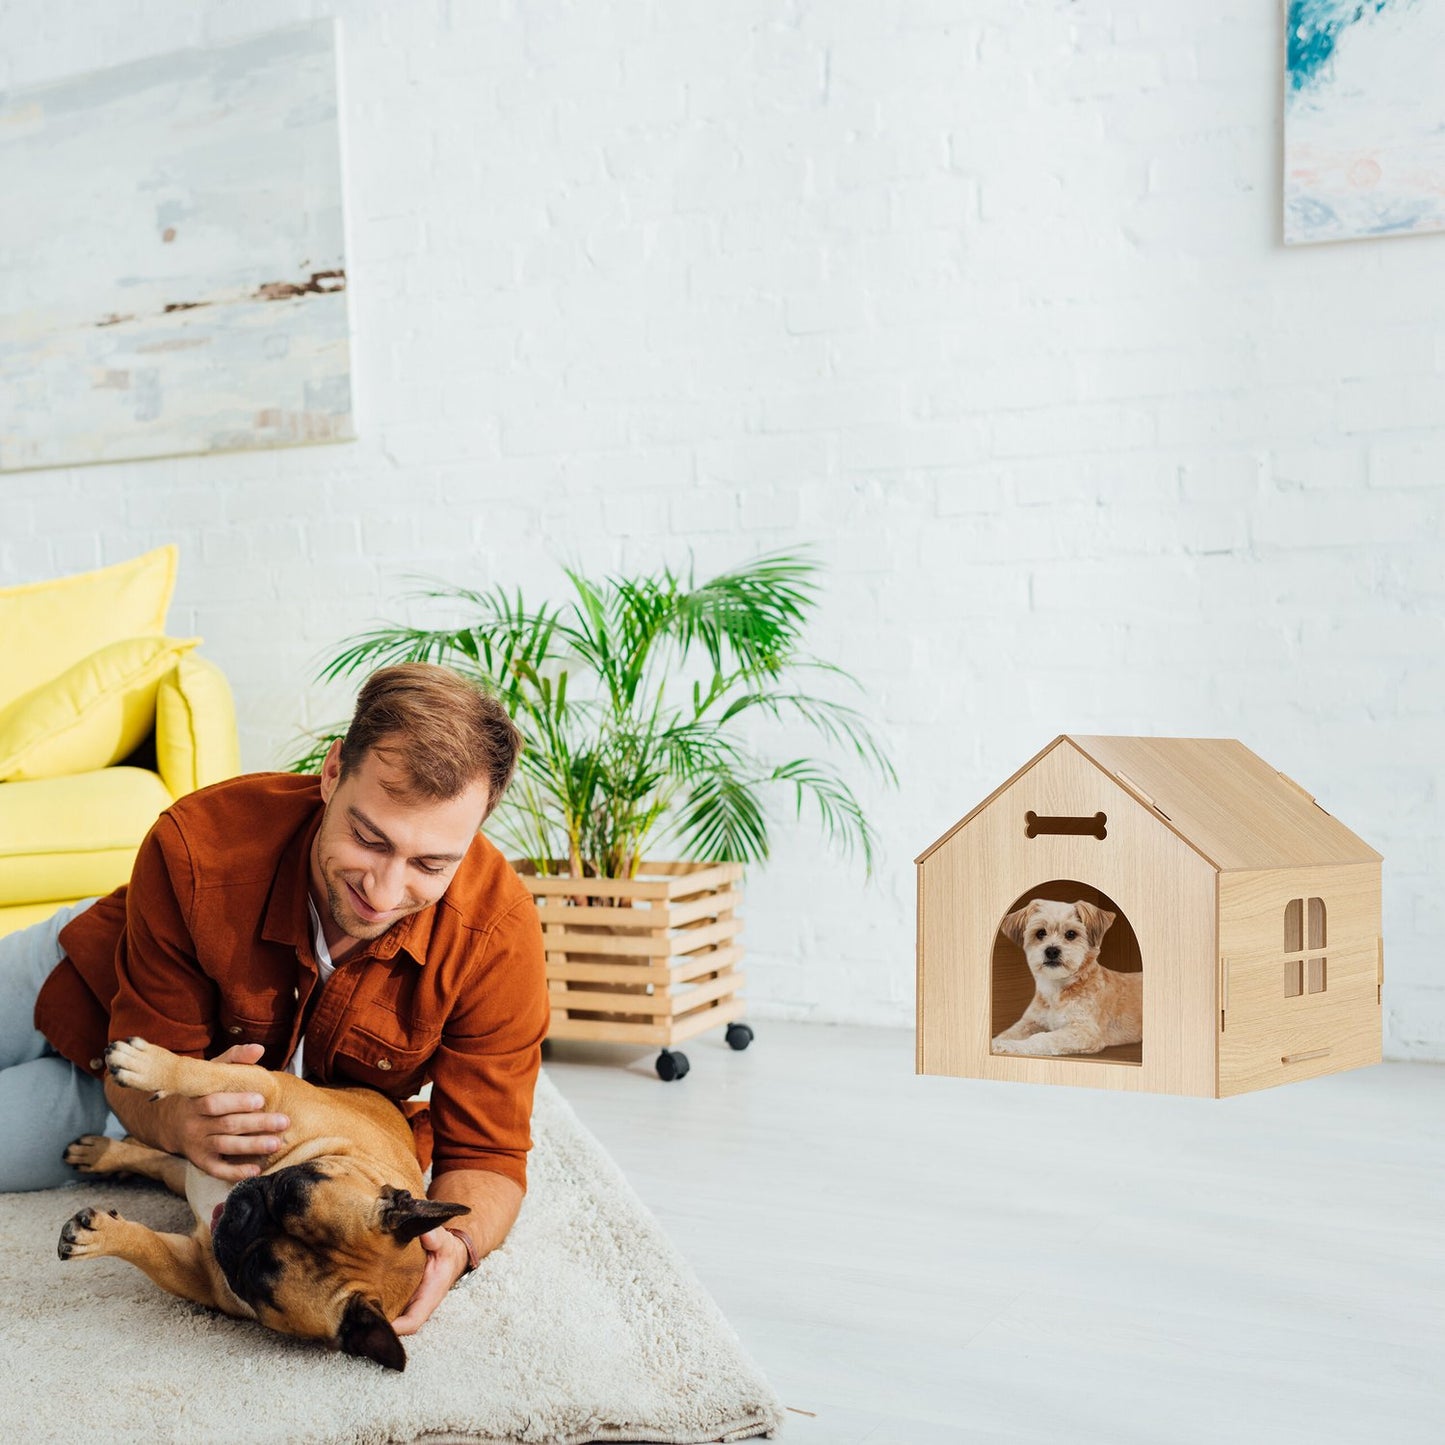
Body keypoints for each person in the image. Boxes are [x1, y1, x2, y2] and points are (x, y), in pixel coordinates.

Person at [0, 662, 548, 1337]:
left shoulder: (496, 936)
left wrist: (456, 1245)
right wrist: (178, 1124)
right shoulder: (200, 843)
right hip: (87, 984)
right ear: (332, 772)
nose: (382, 891)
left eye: (430, 864)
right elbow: (145, 1067)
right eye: (368, 838)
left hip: (122, 1110)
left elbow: (487, 1157)